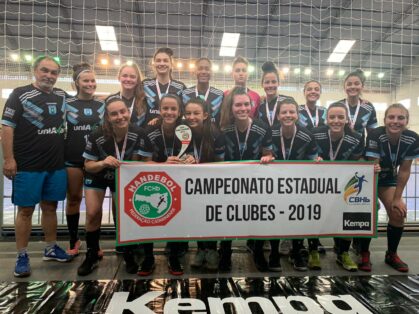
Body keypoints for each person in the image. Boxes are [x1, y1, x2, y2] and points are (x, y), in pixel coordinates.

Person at [1, 55, 72, 277]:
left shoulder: (61, 96)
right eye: (45, 71)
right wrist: (9, 159)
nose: (49, 76)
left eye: (53, 72)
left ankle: (50, 248)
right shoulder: (19, 94)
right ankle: (22, 255)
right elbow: (7, 127)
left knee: (50, 208)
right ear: (35, 71)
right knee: (26, 211)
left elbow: (83, 102)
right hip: (28, 166)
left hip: (55, 165)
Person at [77, 98, 145, 276]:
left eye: (123, 111)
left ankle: (128, 253)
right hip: (98, 174)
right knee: (92, 213)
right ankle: (91, 254)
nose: (120, 116)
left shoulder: (139, 133)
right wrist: (103, 163)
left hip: (123, 177)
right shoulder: (97, 134)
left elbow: (146, 162)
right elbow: (88, 165)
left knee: (124, 215)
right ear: (107, 117)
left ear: (129, 112)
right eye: (114, 113)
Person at [137, 94, 195, 276]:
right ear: (159, 110)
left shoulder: (186, 130)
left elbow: (190, 155)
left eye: (173, 109)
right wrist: (163, 165)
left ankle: (174, 257)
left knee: (177, 217)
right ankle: (148, 257)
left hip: (178, 180)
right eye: (165, 108)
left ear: (179, 112)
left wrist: (191, 159)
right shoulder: (149, 130)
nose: (169, 112)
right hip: (154, 180)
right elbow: (144, 162)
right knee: (148, 217)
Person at [359, 103, 418, 272]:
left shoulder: (412, 138)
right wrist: (370, 202)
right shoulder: (376, 135)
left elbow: (405, 170)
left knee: (398, 212)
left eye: (401, 118)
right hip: (369, 176)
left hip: (388, 179)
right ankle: (364, 252)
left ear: (407, 120)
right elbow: (373, 168)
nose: (395, 121)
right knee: (368, 211)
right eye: (391, 117)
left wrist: (397, 198)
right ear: (384, 120)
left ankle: (391, 254)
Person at [219, 86, 273, 271]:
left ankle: (257, 251)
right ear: (231, 107)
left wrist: (268, 157)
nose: (242, 108)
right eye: (238, 105)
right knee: (226, 217)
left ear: (251, 105)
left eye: (246, 104)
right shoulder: (224, 128)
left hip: (253, 182)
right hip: (228, 183)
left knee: (256, 216)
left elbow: (268, 152)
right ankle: (225, 253)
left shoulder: (262, 128)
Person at [261, 98, 318, 272]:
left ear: (297, 115)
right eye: (284, 112)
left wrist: (318, 161)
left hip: (297, 183)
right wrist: (267, 157)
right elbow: (265, 154)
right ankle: (274, 254)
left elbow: (313, 159)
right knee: (274, 216)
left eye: (292, 112)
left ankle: (296, 250)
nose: (288, 115)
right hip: (274, 182)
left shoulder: (307, 135)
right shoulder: (270, 132)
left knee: (297, 216)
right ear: (278, 115)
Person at [312, 103, 366, 272]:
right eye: (332, 117)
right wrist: (314, 159)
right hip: (319, 184)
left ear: (347, 119)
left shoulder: (357, 137)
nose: (336, 121)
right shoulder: (316, 134)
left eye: (340, 117)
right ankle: (312, 250)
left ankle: (343, 252)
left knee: (347, 214)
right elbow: (308, 155)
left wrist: (370, 167)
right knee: (314, 214)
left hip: (343, 184)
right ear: (326, 119)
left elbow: (358, 161)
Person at [65, 63, 105, 256]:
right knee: (73, 198)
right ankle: (74, 239)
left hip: (95, 161)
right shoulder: (67, 104)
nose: (90, 84)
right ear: (77, 83)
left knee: (93, 209)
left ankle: (94, 244)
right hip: (73, 159)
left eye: (92, 80)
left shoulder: (102, 105)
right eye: (86, 81)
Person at [184, 97, 225, 270]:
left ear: (206, 115)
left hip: (212, 183)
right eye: (188, 113)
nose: (191, 117)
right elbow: (178, 157)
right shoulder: (183, 132)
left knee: (211, 217)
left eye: (196, 113)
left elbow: (221, 165)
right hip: (191, 184)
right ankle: (201, 249)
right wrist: (184, 159)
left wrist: (200, 165)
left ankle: (212, 250)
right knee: (196, 216)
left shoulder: (216, 135)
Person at [298, 80, 327, 255]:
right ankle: (299, 240)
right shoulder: (298, 110)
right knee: (303, 203)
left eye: (317, 89)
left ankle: (314, 240)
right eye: (309, 89)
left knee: (316, 202)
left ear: (320, 92)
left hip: (321, 158)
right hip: (303, 159)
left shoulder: (325, 112)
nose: (313, 91)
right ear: (304, 91)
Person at [330, 69, 377, 137]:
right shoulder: (337, 107)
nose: (352, 86)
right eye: (349, 84)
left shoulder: (369, 108)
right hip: (338, 147)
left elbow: (373, 134)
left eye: (356, 84)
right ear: (344, 87)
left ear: (362, 86)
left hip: (360, 147)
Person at [182, 58, 224, 127]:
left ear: (211, 72)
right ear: (195, 71)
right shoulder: (185, 94)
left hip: (213, 136)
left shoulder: (220, 95)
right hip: (191, 136)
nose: (203, 72)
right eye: (200, 68)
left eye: (207, 69)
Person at [143, 47, 186, 113]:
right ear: (154, 64)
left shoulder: (180, 87)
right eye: (158, 60)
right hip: (148, 123)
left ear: (171, 64)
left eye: (165, 60)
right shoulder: (145, 85)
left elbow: (184, 111)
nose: (162, 63)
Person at [106, 62, 150, 127]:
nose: (128, 79)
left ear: (137, 80)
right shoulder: (110, 100)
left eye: (132, 77)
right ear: (119, 77)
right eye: (125, 76)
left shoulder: (145, 101)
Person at [257, 61, 293, 128]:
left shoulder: (288, 101)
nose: (270, 85)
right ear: (262, 84)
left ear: (278, 83)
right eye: (267, 82)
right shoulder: (260, 103)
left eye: (273, 82)